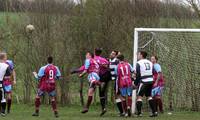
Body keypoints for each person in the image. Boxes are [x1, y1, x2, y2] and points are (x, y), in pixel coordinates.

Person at [135, 51, 158, 117]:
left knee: (139, 97)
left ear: (141, 55)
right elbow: (153, 72)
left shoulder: (138, 63)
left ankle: (139, 113)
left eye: (138, 54)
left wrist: (136, 83)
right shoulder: (150, 62)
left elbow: (138, 75)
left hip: (144, 81)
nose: (138, 55)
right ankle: (154, 112)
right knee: (149, 96)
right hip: (150, 81)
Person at [94, 48, 110, 116]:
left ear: (94, 52)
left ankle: (103, 108)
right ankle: (103, 108)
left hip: (99, 77)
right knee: (102, 93)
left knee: (100, 93)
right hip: (106, 76)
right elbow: (108, 66)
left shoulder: (93, 59)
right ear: (100, 53)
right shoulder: (103, 59)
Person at [109, 50, 124, 116]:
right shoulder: (110, 60)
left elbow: (119, 70)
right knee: (119, 95)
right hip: (116, 80)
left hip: (119, 80)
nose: (111, 54)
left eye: (113, 54)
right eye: (111, 53)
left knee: (118, 95)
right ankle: (123, 111)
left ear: (116, 56)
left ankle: (123, 112)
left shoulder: (117, 61)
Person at [0, 52, 11, 117]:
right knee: (3, 98)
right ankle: (3, 112)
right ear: (4, 58)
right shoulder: (6, 66)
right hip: (0, 83)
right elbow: (8, 76)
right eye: (6, 57)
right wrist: (3, 77)